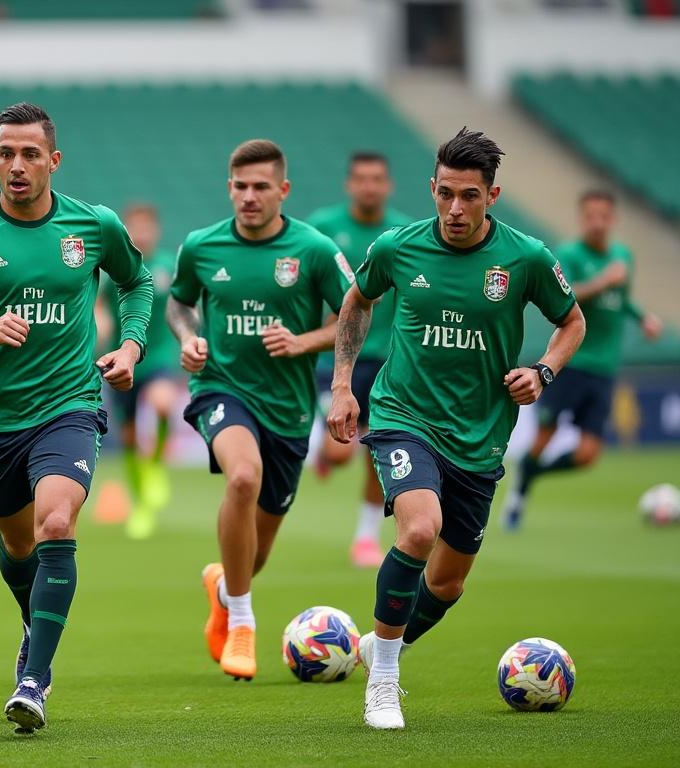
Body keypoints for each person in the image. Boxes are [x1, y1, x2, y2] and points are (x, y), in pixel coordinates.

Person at [0, 102, 153, 733]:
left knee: (56, 522)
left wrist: (130, 345)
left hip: (69, 405)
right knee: (19, 547)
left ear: (53, 160)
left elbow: (137, 283)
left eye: (30, 154)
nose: (17, 166)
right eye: (6, 154)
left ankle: (34, 681)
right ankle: (33, 626)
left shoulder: (92, 225)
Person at [327, 127, 584, 730]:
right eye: (444, 194)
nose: (454, 209)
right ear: (432, 188)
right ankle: (384, 682)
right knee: (419, 530)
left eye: (469, 196)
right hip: (403, 415)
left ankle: (377, 645)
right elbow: (356, 301)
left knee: (447, 584)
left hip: (481, 434)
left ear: (492, 195)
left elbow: (572, 322)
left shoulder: (526, 258)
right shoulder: (397, 247)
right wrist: (342, 384)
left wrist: (542, 371)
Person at [167, 139, 353, 682]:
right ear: (230, 187)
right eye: (240, 187)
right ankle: (243, 622)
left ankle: (225, 590)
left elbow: (354, 314)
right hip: (221, 387)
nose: (248, 197)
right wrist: (189, 337)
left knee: (256, 553)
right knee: (243, 477)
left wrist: (304, 342)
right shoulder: (201, 246)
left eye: (260, 187)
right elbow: (178, 301)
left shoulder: (314, 249)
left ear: (283, 190)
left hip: (290, 410)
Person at [501, 189, 663, 530]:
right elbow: (567, 298)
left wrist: (642, 317)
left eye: (603, 216)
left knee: (588, 455)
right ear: (581, 218)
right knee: (545, 435)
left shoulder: (622, 256)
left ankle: (530, 473)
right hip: (571, 362)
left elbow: (621, 299)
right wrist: (604, 280)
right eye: (590, 216)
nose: (597, 223)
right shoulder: (570, 255)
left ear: (613, 219)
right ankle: (518, 496)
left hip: (604, 368)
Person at [306, 152, 411, 567]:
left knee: (376, 453)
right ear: (350, 184)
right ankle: (322, 453)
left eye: (377, 179)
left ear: (389, 185)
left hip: (388, 360)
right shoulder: (325, 228)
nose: (370, 186)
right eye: (362, 179)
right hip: (337, 359)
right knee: (340, 452)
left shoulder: (403, 233)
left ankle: (365, 538)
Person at [96, 203, 181, 540]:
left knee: (163, 405)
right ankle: (141, 501)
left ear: (156, 230)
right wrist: (101, 324)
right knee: (129, 435)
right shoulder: (118, 268)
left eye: (148, 227)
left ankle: (156, 465)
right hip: (123, 356)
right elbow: (99, 304)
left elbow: (182, 303)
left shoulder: (166, 267)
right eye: (136, 228)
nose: (142, 234)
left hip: (158, 353)